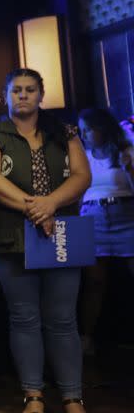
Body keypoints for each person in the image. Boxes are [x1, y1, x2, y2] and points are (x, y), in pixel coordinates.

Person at [0, 68, 90, 413]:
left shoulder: (64, 131)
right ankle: (33, 396)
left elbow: (83, 176)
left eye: (29, 90)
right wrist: (37, 208)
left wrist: (51, 203)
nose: (22, 95)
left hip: (62, 235)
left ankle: (73, 397)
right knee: (23, 318)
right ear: (7, 95)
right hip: (11, 238)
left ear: (41, 94)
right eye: (16, 90)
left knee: (64, 319)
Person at [77, 108, 134, 355]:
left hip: (126, 214)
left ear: (103, 127)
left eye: (89, 128)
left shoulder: (125, 151)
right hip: (93, 216)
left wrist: (129, 167)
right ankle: (87, 339)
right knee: (94, 282)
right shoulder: (82, 156)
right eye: (82, 130)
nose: (86, 134)